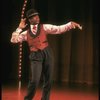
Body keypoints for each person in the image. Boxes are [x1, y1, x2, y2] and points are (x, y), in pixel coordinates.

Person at [10, 9, 82, 100]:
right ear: (30, 19)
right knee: (34, 81)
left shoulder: (45, 27)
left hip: (47, 53)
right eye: (35, 16)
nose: (37, 17)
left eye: (37, 16)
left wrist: (70, 24)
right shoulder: (26, 33)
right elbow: (13, 40)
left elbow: (58, 29)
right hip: (35, 56)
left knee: (48, 80)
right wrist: (19, 28)